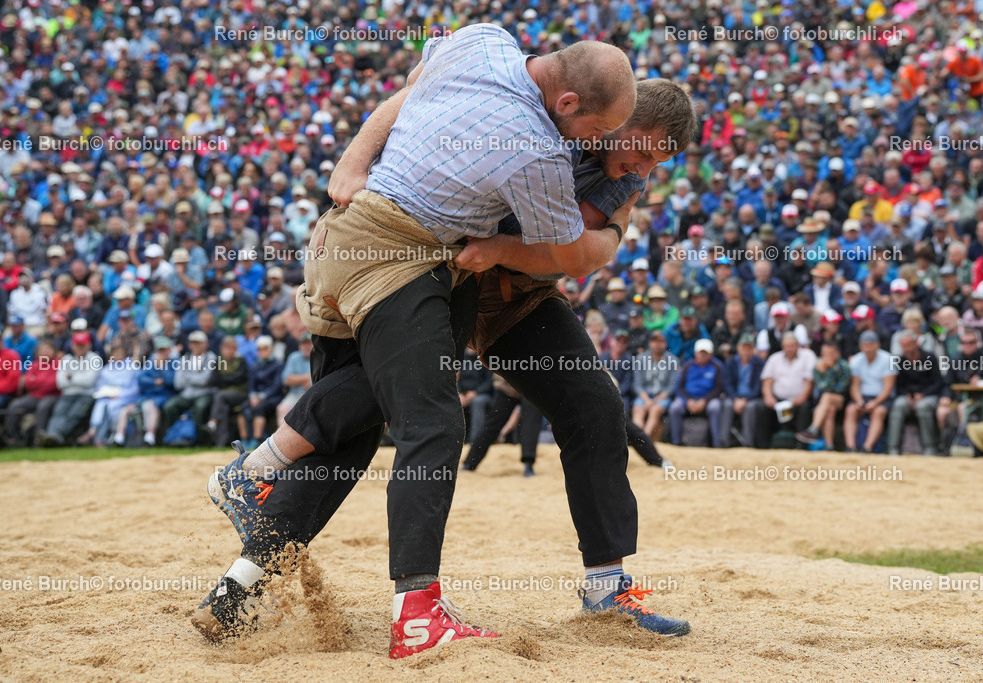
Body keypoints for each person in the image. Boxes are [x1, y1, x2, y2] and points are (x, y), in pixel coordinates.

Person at [196, 65, 694, 650]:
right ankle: (238, 586)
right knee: (357, 435)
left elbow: (580, 251)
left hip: (501, 293)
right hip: (415, 271)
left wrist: (514, 247)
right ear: (610, 117)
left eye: (657, 163)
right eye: (640, 150)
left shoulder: (618, 170)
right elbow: (411, 94)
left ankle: (607, 586)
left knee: (593, 404)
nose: (644, 170)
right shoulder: (542, 106)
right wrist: (352, 163)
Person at [752, 332, 815, 448]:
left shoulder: (808, 356)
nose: (789, 349)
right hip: (777, 401)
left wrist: (799, 399)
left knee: (805, 407)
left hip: (798, 400)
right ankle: (762, 446)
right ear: (782, 347)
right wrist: (768, 397)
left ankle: (801, 446)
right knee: (761, 407)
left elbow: (809, 382)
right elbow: (767, 381)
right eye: (786, 346)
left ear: (797, 345)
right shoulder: (774, 358)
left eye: (792, 345)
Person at [38, 332, 101, 447]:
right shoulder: (66, 358)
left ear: (88, 345)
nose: (79, 348)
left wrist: (71, 378)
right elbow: (60, 382)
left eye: (82, 345)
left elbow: (89, 382)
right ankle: (52, 435)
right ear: (72, 346)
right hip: (68, 394)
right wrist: (76, 380)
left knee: (74, 414)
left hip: (86, 395)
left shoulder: (94, 358)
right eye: (77, 345)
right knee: (59, 412)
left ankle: (56, 436)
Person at [887, 330, 944, 455]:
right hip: (908, 396)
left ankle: (929, 447)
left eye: (909, 345)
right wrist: (907, 395)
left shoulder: (929, 357)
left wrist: (923, 394)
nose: (906, 348)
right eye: (903, 345)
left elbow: (938, 383)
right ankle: (893, 447)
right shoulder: (901, 360)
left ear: (916, 343)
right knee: (898, 405)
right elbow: (899, 385)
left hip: (929, 395)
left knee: (922, 407)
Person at [113, 337, 177, 447]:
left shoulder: (174, 363)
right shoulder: (151, 363)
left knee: (150, 406)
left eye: (164, 350)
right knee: (125, 409)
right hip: (147, 395)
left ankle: (150, 436)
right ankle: (119, 437)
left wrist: (162, 368)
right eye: (159, 350)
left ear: (169, 350)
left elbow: (172, 381)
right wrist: (155, 382)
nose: (161, 353)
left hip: (164, 396)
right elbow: (141, 379)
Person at [842, 331, 896, 453]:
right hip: (863, 396)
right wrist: (859, 401)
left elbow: (888, 388)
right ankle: (851, 447)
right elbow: (855, 385)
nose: (867, 348)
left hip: (882, 397)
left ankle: (867, 447)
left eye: (870, 345)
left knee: (878, 412)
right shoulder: (856, 359)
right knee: (851, 410)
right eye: (864, 345)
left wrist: (875, 402)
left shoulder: (888, 359)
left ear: (877, 345)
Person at [3, 339, 61, 447]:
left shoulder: (58, 364)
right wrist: (41, 382)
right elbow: (28, 383)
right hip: (33, 395)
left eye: (48, 349)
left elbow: (54, 383)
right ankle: (11, 438)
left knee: (43, 407)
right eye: (42, 349)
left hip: (52, 396)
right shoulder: (34, 365)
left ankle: (38, 440)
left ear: (54, 352)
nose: (44, 352)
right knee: (15, 405)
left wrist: (37, 381)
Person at [795, 341, 852, 451]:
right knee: (829, 409)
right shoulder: (818, 367)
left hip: (842, 400)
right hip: (825, 403)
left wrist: (829, 371)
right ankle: (829, 446)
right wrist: (824, 370)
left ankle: (813, 429)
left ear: (837, 354)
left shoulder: (844, 366)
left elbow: (841, 388)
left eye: (830, 354)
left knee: (827, 397)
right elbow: (821, 387)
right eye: (825, 354)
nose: (827, 357)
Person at [162, 331, 217, 439]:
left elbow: (205, 380)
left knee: (200, 407)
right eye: (193, 343)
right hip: (187, 394)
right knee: (169, 407)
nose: (195, 345)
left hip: (205, 393)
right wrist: (195, 378)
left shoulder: (212, 358)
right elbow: (177, 383)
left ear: (205, 344)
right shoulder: (185, 358)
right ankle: (175, 436)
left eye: (198, 343)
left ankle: (198, 439)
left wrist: (188, 376)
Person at [668, 339, 723, 446]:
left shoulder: (717, 366)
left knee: (715, 407)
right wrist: (688, 400)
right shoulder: (688, 366)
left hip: (708, 399)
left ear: (710, 354)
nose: (702, 355)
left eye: (705, 353)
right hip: (688, 399)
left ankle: (717, 444)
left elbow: (719, 388)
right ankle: (676, 442)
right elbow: (679, 387)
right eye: (700, 352)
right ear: (695, 353)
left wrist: (705, 401)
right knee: (675, 408)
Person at [631, 329, 679, 440]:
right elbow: (637, 384)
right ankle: (637, 439)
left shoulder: (673, 360)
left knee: (655, 410)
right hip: (645, 396)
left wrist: (654, 401)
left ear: (665, 344)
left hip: (661, 397)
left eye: (660, 342)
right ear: (650, 343)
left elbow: (670, 387)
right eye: (654, 341)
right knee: (638, 410)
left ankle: (643, 441)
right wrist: (647, 400)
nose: (657, 345)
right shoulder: (641, 358)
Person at [238, 336, 283, 449]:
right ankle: (245, 439)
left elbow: (276, 386)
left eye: (265, 348)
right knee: (242, 408)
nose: (262, 351)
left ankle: (256, 439)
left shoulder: (278, 364)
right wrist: (253, 396)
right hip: (256, 397)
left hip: (273, 397)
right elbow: (251, 384)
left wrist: (261, 397)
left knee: (259, 409)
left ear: (271, 349)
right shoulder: (255, 365)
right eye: (259, 349)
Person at [720, 332, 765, 448]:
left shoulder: (760, 363)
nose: (746, 351)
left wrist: (745, 400)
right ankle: (723, 442)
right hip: (734, 396)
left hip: (752, 397)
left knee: (750, 408)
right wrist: (735, 398)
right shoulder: (730, 362)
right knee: (727, 405)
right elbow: (727, 384)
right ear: (739, 348)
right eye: (743, 348)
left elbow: (758, 387)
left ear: (753, 349)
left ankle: (748, 443)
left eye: (749, 348)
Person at [206, 336, 251, 448]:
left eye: (232, 348)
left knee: (220, 397)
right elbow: (213, 380)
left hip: (240, 394)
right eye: (227, 348)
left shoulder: (241, 361)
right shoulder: (219, 360)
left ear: (236, 349)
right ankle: (221, 441)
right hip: (224, 396)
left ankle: (213, 422)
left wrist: (224, 379)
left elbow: (239, 378)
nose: (229, 351)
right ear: (222, 348)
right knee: (223, 406)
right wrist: (229, 379)